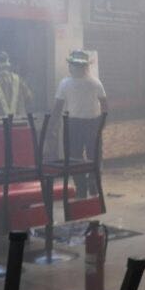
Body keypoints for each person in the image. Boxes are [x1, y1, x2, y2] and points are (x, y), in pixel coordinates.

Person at [53, 49, 108, 198]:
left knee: (75, 157)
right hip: (90, 123)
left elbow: (57, 107)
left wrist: (53, 126)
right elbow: (104, 105)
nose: (75, 68)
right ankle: (91, 184)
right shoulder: (95, 82)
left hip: (76, 124)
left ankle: (83, 186)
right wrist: (102, 123)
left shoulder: (66, 83)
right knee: (93, 156)